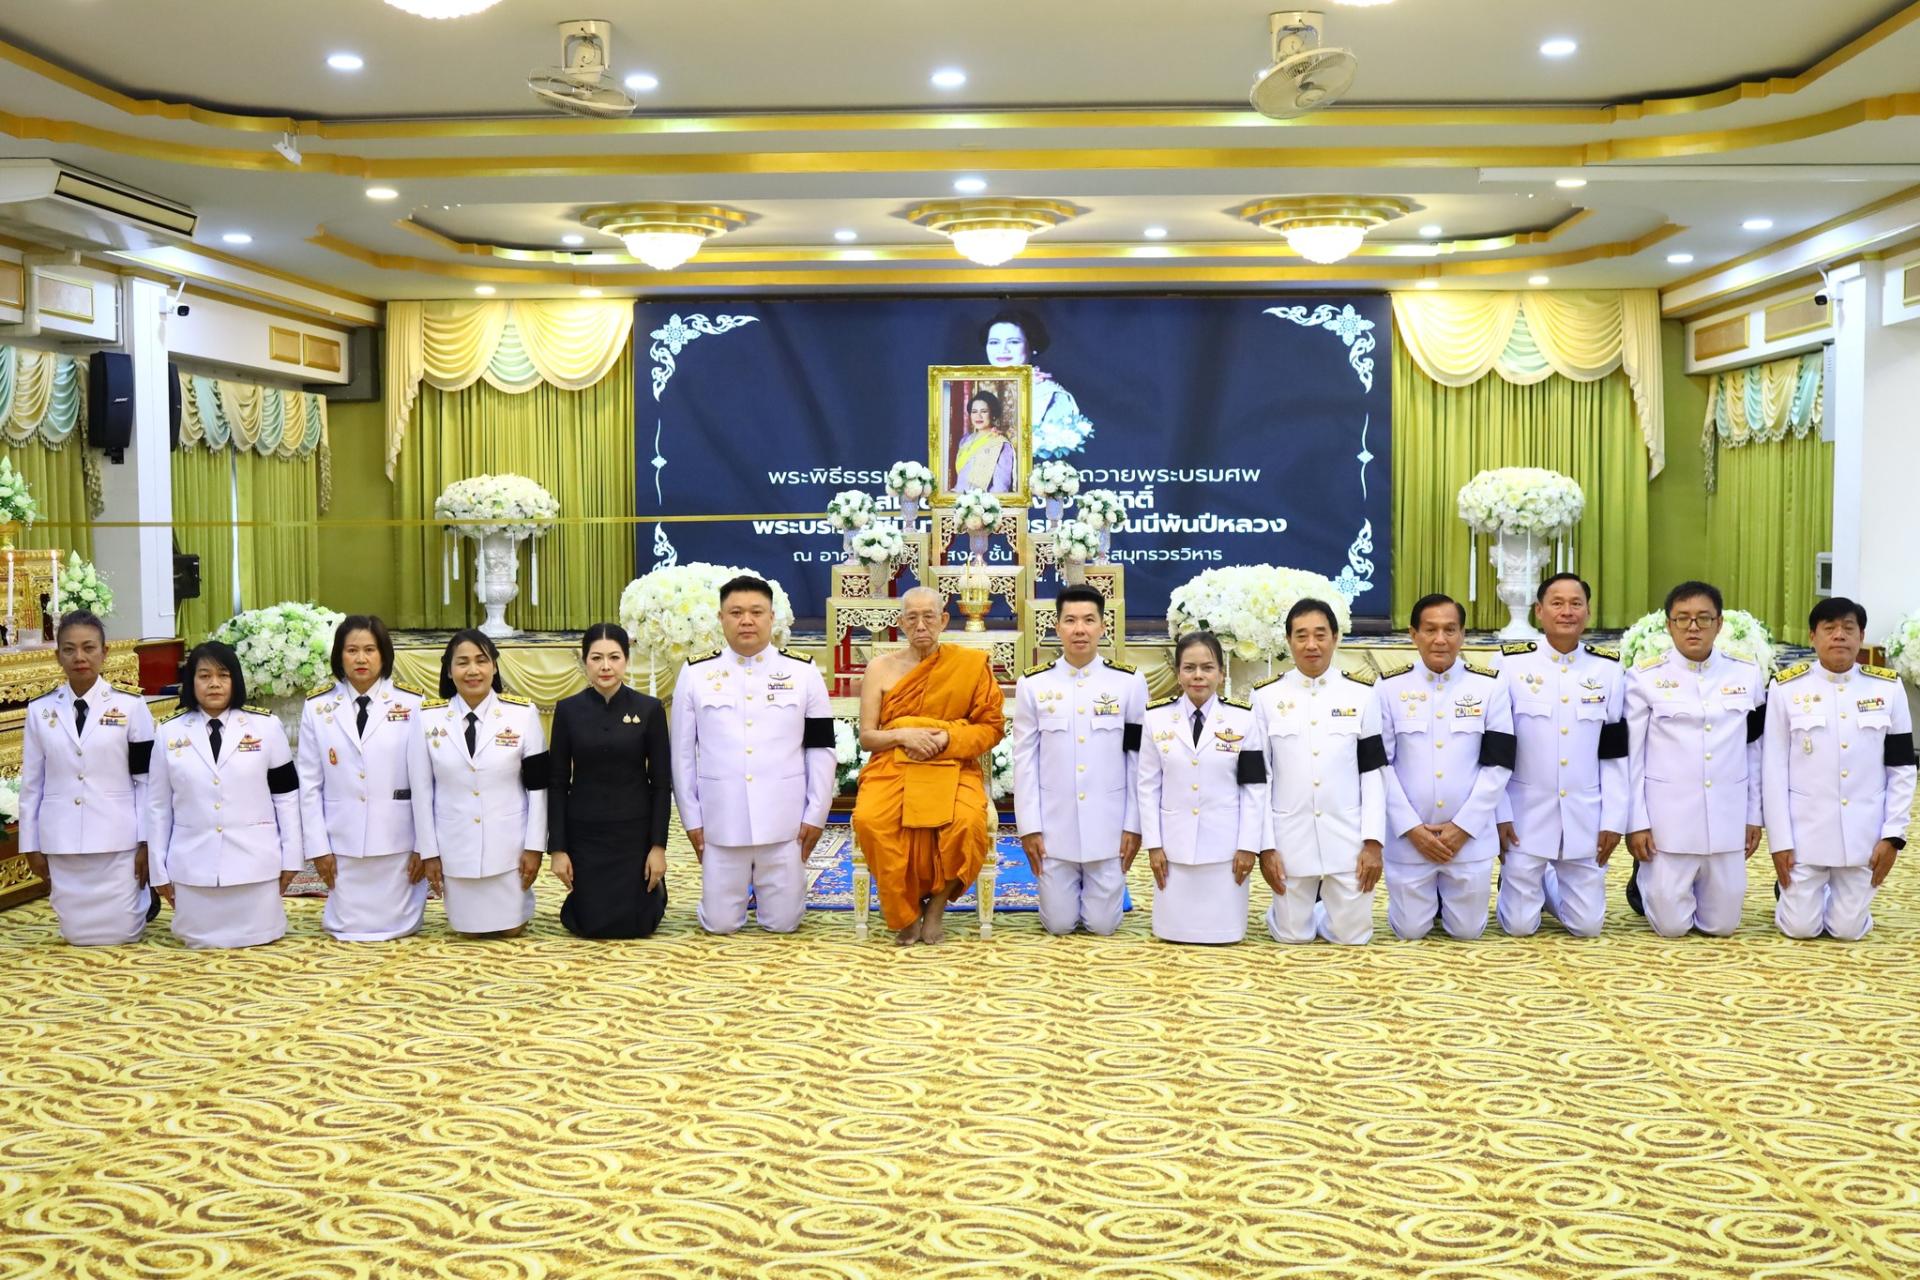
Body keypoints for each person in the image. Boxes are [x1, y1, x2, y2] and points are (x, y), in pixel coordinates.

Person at [673, 575, 835, 936]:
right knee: (720, 924)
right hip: (721, 821)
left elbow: (821, 748)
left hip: (784, 822)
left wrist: (816, 813)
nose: (746, 620)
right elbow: (681, 755)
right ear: (721, 618)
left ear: (772, 617)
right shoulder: (696, 673)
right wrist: (692, 819)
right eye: (736, 612)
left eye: (756, 612)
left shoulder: (802, 671)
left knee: (784, 923)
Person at [852, 586, 1006, 944]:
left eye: (929, 617)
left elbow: (991, 727)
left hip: (952, 763)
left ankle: (936, 906)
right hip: (894, 765)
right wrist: (903, 735)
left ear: (944, 620)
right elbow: (867, 737)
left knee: (967, 823)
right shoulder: (880, 668)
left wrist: (947, 738)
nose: (920, 625)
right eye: (912, 618)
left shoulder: (969, 666)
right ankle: (905, 912)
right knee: (871, 820)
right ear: (900, 622)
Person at [1762, 596, 1914, 940]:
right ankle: (1794, 893)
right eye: (1829, 628)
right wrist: (1780, 842)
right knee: (1800, 928)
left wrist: (1893, 836)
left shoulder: (1887, 688)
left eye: (1848, 628)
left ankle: (1829, 894)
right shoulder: (1786, 688)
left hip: (1863, 836)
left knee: (1848, 931)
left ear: (1861, 636)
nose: (1839, 636)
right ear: (1812, 637)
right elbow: (1773, 771)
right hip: (1805, 836)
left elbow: (1902, 767)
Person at [1625, 580, 1767, 937]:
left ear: (1719, 624)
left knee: (1722, 926)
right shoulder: (1644, 678)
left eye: (1704, 618)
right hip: (1668, 823)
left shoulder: (1747, 674)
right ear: (1669, 624)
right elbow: (1633, 758)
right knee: (1671, 927)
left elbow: (1755, 750)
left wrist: (1754, 815)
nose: (1693, 627)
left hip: (1726, 819)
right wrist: (1636, 823)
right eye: (1683, 618)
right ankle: (1644, 883)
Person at [1493, 574, 1628, 938]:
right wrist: (1500, 814)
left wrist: (1613, 819)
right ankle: (1521, 880)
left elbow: (1615, 753)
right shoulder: (1510, 664)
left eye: (1575, 603)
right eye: (1557, 603)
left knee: (1587, 927)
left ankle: (1546, 883)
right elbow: (1496, 748)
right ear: (1539, 611)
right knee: (1519, 927)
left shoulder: (1608, 669)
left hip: (1585, 816)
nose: (1567, 611)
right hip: (1524, 817)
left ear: (1588, 612)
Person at [1376, 594, 1515, 940]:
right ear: (1413, 634)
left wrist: (1464, 827)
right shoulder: (1389, 687)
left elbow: (1498, 764)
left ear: (1463, 634)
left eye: (1450, 630)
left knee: (1468, 932)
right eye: (1431, 630)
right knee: (1409, 931)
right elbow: (1381, 765)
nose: (1441, 639)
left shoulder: (1489, 686)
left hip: (1469, 839)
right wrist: (1411, 828)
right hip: (1410, 839)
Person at [147, 641, 303, 948]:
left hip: (255, 864)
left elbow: (286, 797)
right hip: (194, 866)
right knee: (197, 940)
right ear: (191, 681)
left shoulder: (266, 727)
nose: (214, 683)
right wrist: (158, 870)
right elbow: (157, 807)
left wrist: (292, 857)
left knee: (259, 938)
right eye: (204, 676)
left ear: (236, 680)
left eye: (223, 675)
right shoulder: (168, 732)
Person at [1012, 584, 1146, 936]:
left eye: (1088, 620)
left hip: (1108, 828)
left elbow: (1138, 759)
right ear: (1057, 627)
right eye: (1070, 620)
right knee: (1058, 924)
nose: (1079, 629)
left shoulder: (1128, 683)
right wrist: (1029, 827)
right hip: (1055, 828)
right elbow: (1025, 761)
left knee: (1103, 925)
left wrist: (1133, 824)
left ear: (1103, 626)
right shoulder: (1033, 684)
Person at [1251, 597, 1386, 945]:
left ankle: (1327, 905)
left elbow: (1373, 773)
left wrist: (1373, 842)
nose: (1311, 644)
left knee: (1353, 936)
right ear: (1288, 641)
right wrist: (1266, 848)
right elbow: (1259, 777)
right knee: (1292, 936)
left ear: (1336, 638)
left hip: (1347, 839)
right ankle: (1296, 909)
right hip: (1290, 839)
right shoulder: (1265, 697)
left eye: (1320, 635)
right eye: (1301, 636)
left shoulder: (1362, 694)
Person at [17, 610, 158, 945]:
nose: (79, 657)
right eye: (69, 649)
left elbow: (146, 781)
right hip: (62, 839)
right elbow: (32, 784)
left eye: (88, 648)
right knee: (76, 935)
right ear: (58, 656)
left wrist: (146, 841)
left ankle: (143, 903)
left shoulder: (131, 706)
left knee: (124, 932)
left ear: (104, 652)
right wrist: (30, 845)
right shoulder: (40, 711)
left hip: (118, 839)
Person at [296, 615, 429, 943]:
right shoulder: (317, 707)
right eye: (352, 650)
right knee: (346, 922)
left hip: (397, 836)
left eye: (370, 650)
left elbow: (425, 782)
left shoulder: (413, 704)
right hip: (342, 837)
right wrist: (317, 847)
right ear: (339, 655)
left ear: (384, 654)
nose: (361, 658)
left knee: (399, 919)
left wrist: (424, 846)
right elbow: (309, 785)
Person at [409, 630, 548, 938]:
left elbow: (538, 789)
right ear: (449, 671)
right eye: (462, 663)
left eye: (481, 661)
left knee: (511, 930)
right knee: (468, 932)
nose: (473, 670)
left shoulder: (522, 714)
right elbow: (421, 792)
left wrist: (535, 846)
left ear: (494, 667)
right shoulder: (427, 719)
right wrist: (429, 852)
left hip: (509, 847)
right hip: (455, 846)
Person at [1138, 631, 1265, 943]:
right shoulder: (1156, 718)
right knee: (1171, 934)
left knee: (1225, 936)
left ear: (1221, 673)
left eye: (1207, 668)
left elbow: (1254, 787)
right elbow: (1147, 786)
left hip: (1225, 848)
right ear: (1177, 673)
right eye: (1189, 668)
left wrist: (1248, 845)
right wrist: (1153, 844)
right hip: (1174, 847)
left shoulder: (1244, 719)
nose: (1198, 676)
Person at [549, 623, 672, 939]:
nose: (606, 666)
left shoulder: (649, 710)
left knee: (638, 924)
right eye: (596, 658)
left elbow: (661, 784)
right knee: (588, 924)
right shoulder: (568, 711)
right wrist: (558, 849)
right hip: (585, 832)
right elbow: (558, 782)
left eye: (614, 657)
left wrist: (658, 847)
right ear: (584, 661)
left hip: (634, 832)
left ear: (626, 660)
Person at [981, 308, 1092, 459]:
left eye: (1013, 342)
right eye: (994, 342)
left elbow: (1057, 459)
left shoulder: (1050, 394)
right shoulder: (969, 388)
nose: (1003, 349)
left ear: (1032, 347)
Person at [950, 390, 1016, 494]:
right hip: (959, 500)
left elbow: (1000, 488)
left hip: (983, 502)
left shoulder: (1000, 444)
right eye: (974, 411)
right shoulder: (965, 440)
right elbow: (962, 479)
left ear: (993, 414)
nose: (978, 416)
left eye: (984, 411)